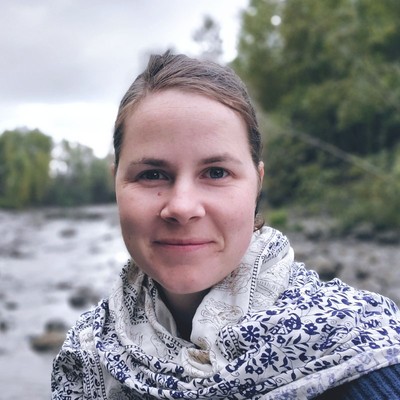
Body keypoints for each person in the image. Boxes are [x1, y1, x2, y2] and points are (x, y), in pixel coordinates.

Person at [51, 51, 400, 399]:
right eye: (152, 174)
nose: (182, 207)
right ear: (116, 184)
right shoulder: (85, 354)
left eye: (216, 172)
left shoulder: (364, 352)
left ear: (257, 184)